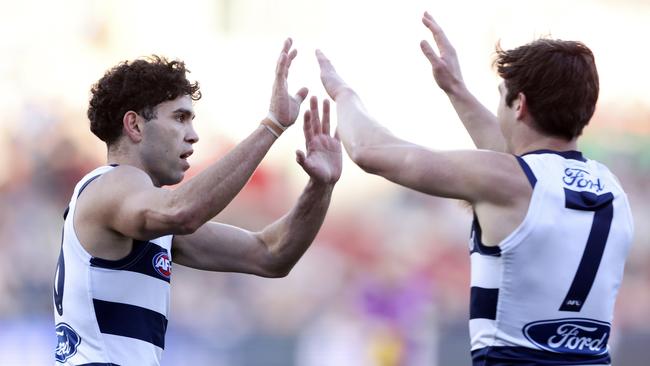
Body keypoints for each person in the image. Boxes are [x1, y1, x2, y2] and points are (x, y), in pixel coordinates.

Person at [316, 12, 634, 366]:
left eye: (502, 96)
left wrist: (344, 95)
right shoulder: (612, 186)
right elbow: (521, 166)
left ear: (520, 105)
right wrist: (456, 89)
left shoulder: (509, 180)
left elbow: (369, 151)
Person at [53, 38, 342, 366]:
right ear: (134, 125)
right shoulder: (113, 182)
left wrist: (321, 186)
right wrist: (271, 126)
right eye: (179, 118)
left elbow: (271, 256)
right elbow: (183, 211)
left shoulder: (151, 217)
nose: (193, 134)